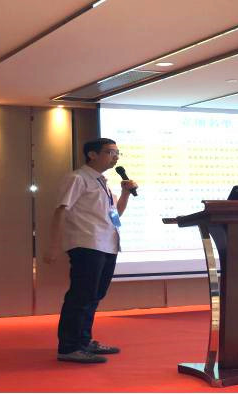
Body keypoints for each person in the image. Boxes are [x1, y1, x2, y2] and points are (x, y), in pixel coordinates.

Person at [44, 138, 138, 364]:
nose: (115, 157)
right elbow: (61, 210)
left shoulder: (103, 183)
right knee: (80, 296)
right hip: (87, 244)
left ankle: (83, 342)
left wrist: (125, 194)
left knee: (94, 296)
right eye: (110, 152)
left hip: (107, 244)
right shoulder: (77, 178)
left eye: (117, 152)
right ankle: (69, 347)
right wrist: (53, 246)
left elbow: (115, 216)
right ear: (92, 155)